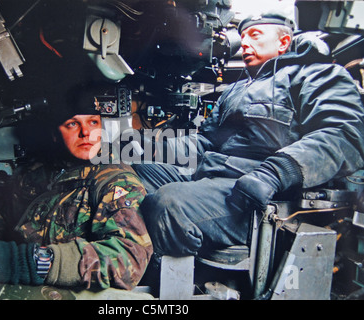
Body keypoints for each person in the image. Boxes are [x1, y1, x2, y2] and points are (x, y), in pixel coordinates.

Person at [133, 12, 364, 258]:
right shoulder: (234, 90)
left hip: (262, 194)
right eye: (242, 37)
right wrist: (150, 146)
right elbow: (204, 144)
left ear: (283, 42)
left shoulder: (317, 75)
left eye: (255, 35)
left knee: (169, 204)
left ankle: (167, 272)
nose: (244, 43)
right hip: (212, 177)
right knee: (137, 169)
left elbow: (345, 135)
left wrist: (274, 173)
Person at [0, 83, 153, 291]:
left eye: (93, 122)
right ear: (55, 135)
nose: (86, 133)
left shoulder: (115, 181)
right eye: (72, 124)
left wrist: (31, 261)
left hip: (64, 289)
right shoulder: (35, 172)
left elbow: (130, 259)